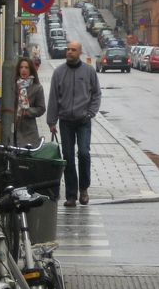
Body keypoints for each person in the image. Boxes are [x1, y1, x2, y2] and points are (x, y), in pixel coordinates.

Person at [47, 40, 101, 207]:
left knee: (84, 153)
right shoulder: (58, 73)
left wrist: (90, 112)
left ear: (80, 52)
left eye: (73, 50)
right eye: (68, 49)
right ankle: (71, 195)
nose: (69, 52)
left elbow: (96, 94)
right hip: (65, 122)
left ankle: (83, 188)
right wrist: (51, 121)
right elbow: (54, 98)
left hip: (83, 120)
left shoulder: (89, 72)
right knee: (68, 158)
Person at [14, 57, 46, 146]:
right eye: (21, 67)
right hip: (12, 127)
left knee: (27, 156)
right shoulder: (12, 85)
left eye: (26, 67)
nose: (23, 70)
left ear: (31, 70)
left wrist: (27, 111)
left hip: (28, 130)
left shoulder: (37, 88)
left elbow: (41, 108)